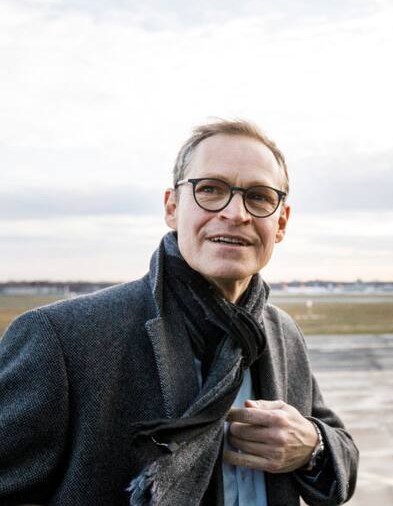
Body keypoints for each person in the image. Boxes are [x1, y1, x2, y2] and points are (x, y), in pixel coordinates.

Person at [0, 119, 358, 505]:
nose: (236, 213)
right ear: (172, 208)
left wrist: (312, 446)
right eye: (210, 190)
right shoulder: (61, 339)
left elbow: (343, 467)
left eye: (258, 196)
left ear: (281, 222)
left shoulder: (282, 333)